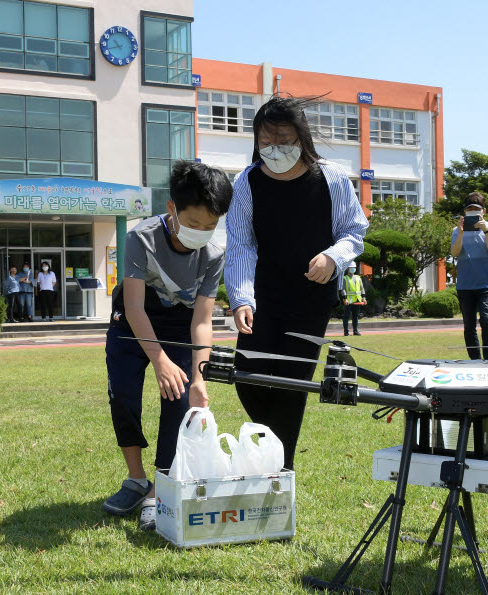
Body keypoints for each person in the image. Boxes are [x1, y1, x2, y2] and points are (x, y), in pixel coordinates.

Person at [225, 96, 368, 470]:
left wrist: (333, 258)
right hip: (262, 297)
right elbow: (240, 244)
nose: (275, 149)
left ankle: (277, 472)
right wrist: (241, 299)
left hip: (310, 299)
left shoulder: (331, 177)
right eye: (266, 141)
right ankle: (267, 450)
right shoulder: (247, 182)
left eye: (283, 140)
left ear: (301, 138)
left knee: (292, 385)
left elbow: (354, 231)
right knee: (247, 377)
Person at [103, 160, 231, 531]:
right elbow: (133, 306)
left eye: (211, 225)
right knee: (123, 395)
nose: (202, 233)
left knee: (179, 399)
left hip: (179, 324)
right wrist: (158, 360)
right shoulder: (140, 238)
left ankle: (158, 490)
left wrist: (199, 376)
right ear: (172, 209)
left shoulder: (213, 254)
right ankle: (136, 478)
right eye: (194, 224)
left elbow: (202, 320)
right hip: (133, 321)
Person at [450, 192, 488, 360]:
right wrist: (461, 232)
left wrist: (485, 230)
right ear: (464, 213)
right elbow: (455, 253)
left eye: (476, 211)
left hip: (486, 283)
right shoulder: (457, 231)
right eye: (469, 210)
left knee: (487, 320)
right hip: (465, 284)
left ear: (483, 211)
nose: (472, 213)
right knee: (469, 326)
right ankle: (475, 361)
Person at [339, 262, 365, 336]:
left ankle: (355, 331)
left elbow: (362, 288)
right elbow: (343, 289)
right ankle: (346, 332)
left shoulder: (358, 277)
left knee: (355, 316)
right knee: (346, 316)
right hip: (349, 301)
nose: (353, 269)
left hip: (357, 300)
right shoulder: (345, 278)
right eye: (351, 267)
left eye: (354, 268)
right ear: (348, 268)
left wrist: (363, 298)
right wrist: (345, 299)